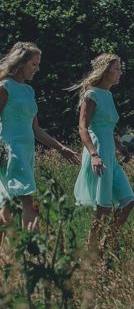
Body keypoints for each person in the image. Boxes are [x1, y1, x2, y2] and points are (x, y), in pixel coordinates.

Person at [0, 42, 80, 232]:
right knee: (27, 200)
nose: (37, 69)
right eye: (34, 64)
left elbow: (36, 129)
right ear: (20, 63)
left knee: (8, 202)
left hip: (27, 152)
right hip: (10, 150)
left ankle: (9, 254)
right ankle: (33, 252)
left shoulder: (29, 91)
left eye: (38, 64)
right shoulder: (5, 87)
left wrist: (61, 148)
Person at [69, 53, 134, 253]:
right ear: (105, 71)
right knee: (103, 207)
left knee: (129, 201)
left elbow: (108, 127)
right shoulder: (91, 94)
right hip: (97, 152)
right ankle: (92, 254)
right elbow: (83, 128)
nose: (120, 73)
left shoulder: (108, 95)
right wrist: (94, 154)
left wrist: (122, 147)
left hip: (110, 154)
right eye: (117, 68)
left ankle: (106, 244)